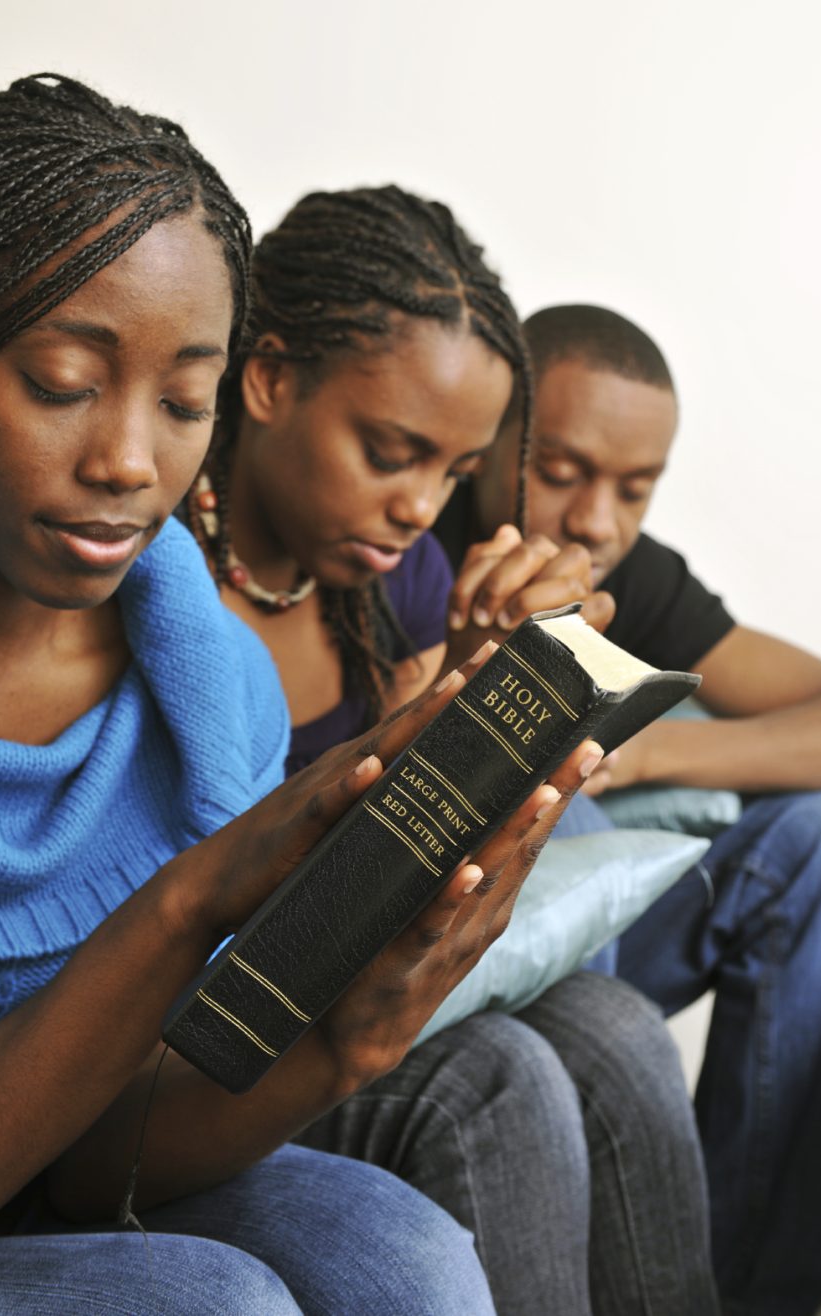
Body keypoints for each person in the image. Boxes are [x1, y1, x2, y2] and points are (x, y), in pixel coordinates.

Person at [0, 73, 613, 1314]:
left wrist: (344, 1040)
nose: (127, 460)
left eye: (181, 401)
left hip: (34, 1180)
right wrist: (189, 903)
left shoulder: (212, 691)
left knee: (401, 1255)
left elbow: (109, 1154)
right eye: (62, 381)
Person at [187, 190, 721, 1314]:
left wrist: (484, 686)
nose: (418, 507)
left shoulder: (400, 579)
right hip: (234, 1012)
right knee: (501, 1077)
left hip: (376, 970)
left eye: (453, 469)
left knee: (619, 1030)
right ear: (268, 379)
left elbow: (410, 831)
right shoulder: (155, 581)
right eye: (392, 454)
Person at [435, 302, 821, 1315]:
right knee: (576, 832)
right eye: (560, 471)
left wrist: (645, 748)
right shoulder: (404, 525)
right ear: (490, 441)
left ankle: (753, 1290)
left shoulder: (618, 570)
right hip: (430, 948)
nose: (596, 518)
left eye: (632, 489)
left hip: (570, 935)